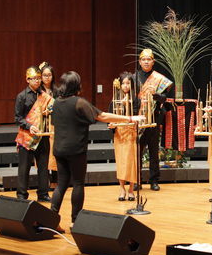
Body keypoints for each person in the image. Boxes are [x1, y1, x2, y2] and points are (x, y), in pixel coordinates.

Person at [50, 71, 144, 229]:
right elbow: (102, 116)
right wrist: (129, 118)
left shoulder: (57, 102)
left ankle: (51, 220)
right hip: (75, 149)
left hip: (59, 149)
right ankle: (75, 221)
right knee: (78, 184)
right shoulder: (79, 102)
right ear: (76, 85)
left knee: (61, 185)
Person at [134, 48, 173, 191]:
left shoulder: (159, 78)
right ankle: (136, 179)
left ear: (153, 62)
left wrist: (158, 96)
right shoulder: (134, 77)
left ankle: (154, 180)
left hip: (154, 117)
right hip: (139, 117)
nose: (146, 62)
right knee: (137, 150)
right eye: (143, 59)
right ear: (139, 62)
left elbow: (165, 98)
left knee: (153, 150)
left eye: (148, 59)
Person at [14, 66, 50, 202]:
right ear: (27, 79)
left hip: (42, 135)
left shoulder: (44, 95)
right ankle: (22, 194)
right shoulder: (22, 96)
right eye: (34, 78)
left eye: (38, 78)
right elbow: (18, 118)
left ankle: (43, 194)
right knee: (24, 167)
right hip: (27, 136)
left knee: (43, 167)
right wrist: (30, 126)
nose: (37, 81)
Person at [109, 72, 140, 201]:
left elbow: (137, 117)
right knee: (121, 161)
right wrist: (111, 125)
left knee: (132, 161)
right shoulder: (115, 100)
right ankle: (121, 188)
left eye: (128, 83)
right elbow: (110, 117)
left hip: (131, 132)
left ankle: (131, 189)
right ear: (120, 85)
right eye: (123, 83)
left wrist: (127, 105)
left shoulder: (136, 100)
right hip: (120, 134)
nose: (126, 86)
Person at [39, 61, 58, 189]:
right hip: (42, 124)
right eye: (45, 75)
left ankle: (55, 181)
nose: (47, 77)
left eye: (49, 75)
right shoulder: (38, 91)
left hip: (54, 124)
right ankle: (44, 182)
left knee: (54, 153)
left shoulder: (57, 90)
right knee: (43, 153)